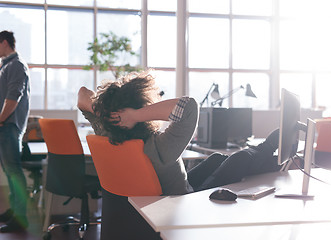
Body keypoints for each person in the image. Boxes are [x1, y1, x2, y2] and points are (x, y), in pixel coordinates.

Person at [77, 70, 281, 195]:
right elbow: (189, 106)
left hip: (160, 194)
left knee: (218, 158)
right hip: (181, 202)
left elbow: (82, 95)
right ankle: (268, 150)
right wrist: (135, 115)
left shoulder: (104, 131)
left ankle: (268, 161)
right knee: (240, 158)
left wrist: (106, 113)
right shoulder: (159, 148)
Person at [0, 30, 30, 232]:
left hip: (9, 125)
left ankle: (21, 218)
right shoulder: (7, 65)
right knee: (9, 171)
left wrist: (0, 120)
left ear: (4, 43)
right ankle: (15, 210)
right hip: (5, 125)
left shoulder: (16, 65)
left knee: (13, 171)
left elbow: (13, 97)